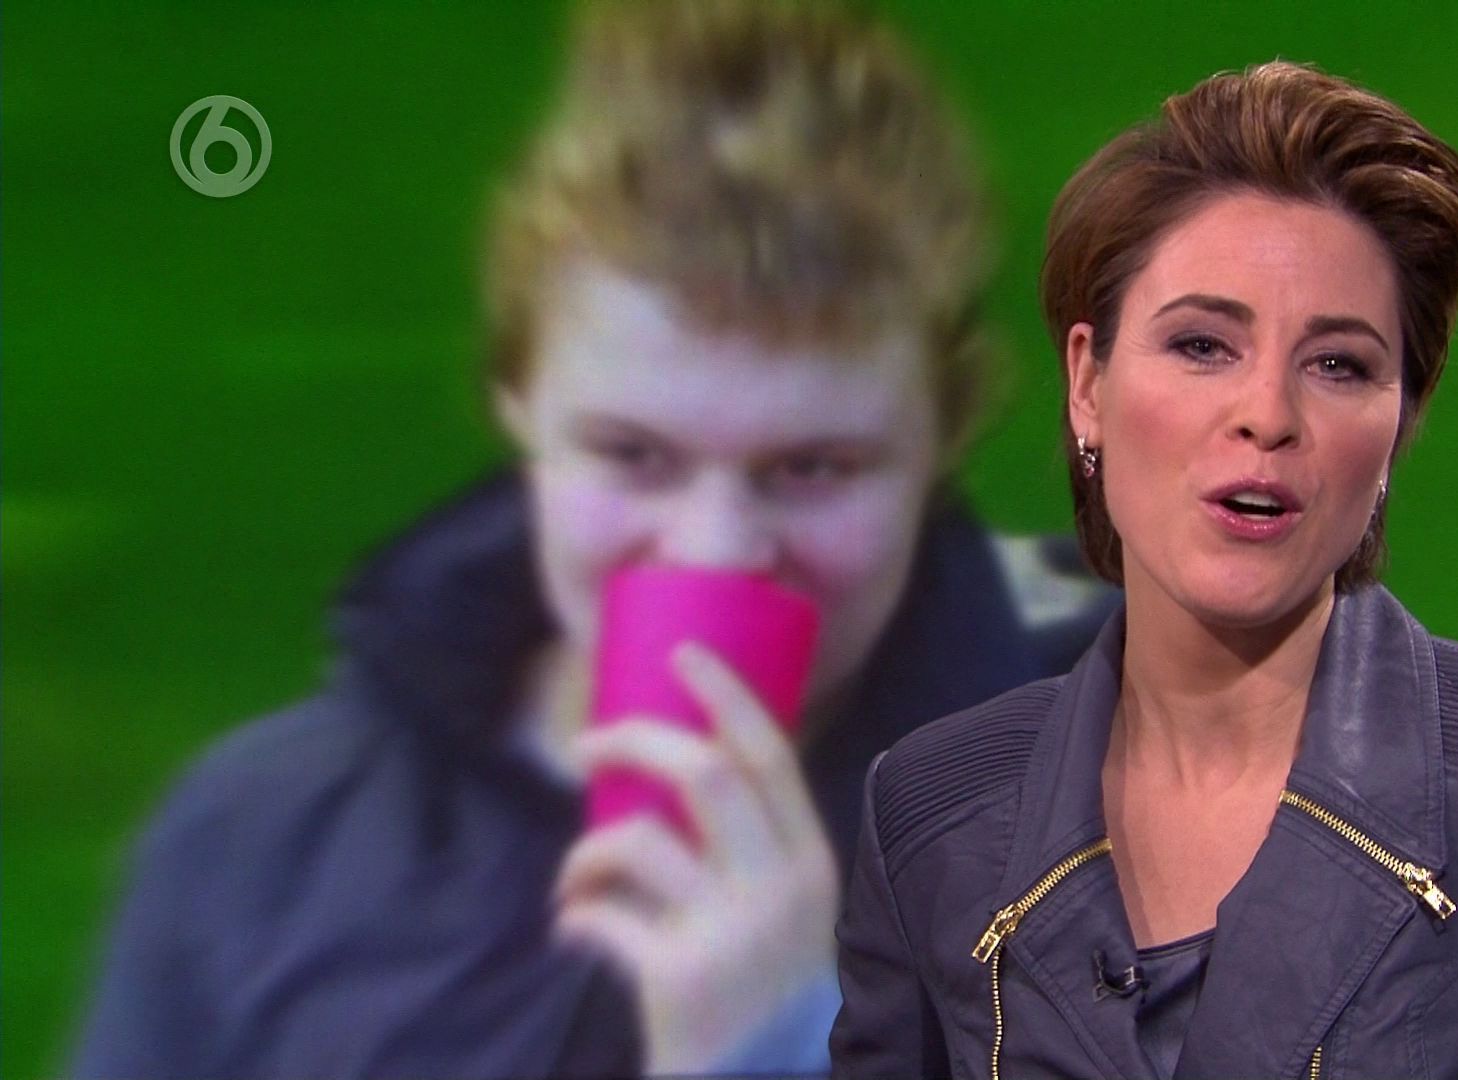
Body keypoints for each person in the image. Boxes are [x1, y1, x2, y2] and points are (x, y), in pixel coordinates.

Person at [72, 2, 1110, 1077]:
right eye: (633, 455)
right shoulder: (258, 852)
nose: (713, 552)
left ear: (944, 436)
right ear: (517, 400)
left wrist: (778, 1045)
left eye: (814, 468)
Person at [830, 60, 1458, 1079]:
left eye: (1339, 364)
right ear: (1087, 383)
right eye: (1203, 345)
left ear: (1399, 426)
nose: (1269, 415)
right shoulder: (934, 813)